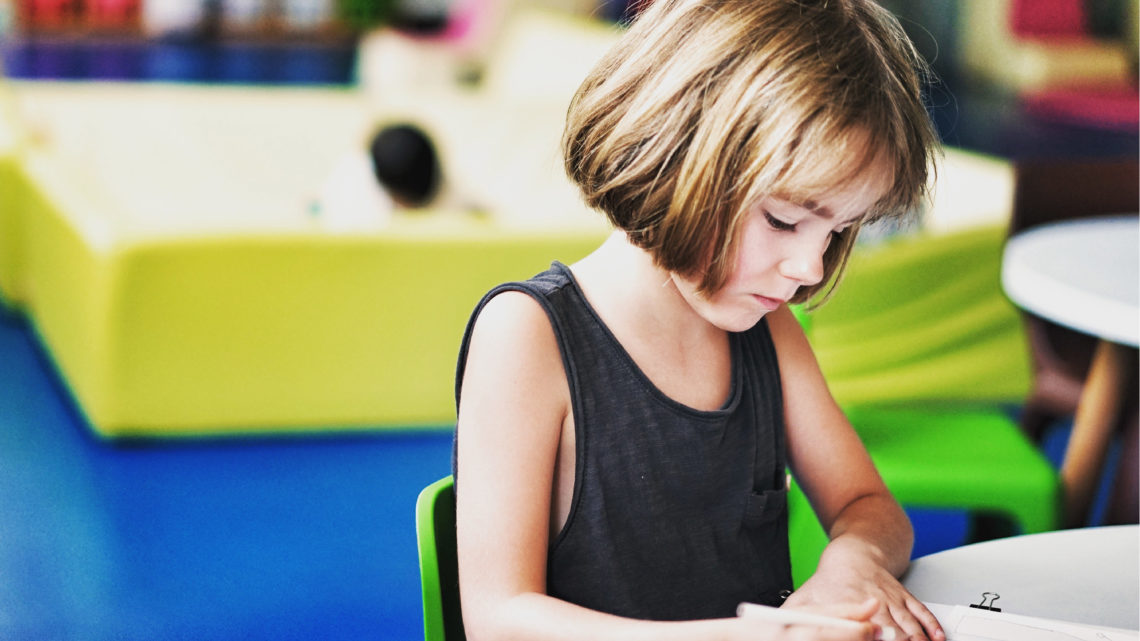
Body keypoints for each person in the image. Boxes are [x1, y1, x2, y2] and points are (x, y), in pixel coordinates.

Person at [452, 0, 945, 639]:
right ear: (676, 157)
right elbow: (497, 617)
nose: (811, 269)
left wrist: (854, 559)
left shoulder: (769, 335)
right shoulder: (528, 335)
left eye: (837, 231)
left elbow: (870, 507)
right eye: (785, 221)